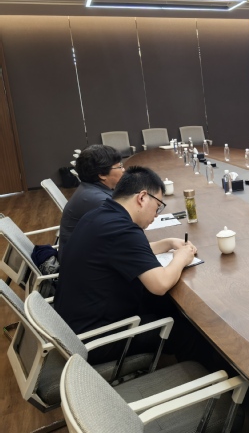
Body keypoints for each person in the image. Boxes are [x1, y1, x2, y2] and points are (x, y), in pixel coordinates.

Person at [54, 166, 223, 369]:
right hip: (96, 338)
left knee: (168, 306)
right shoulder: (123, 230)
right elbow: (160, 284)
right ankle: (215, 379)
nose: (156, 214)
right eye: (158, 206)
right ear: (142, 198)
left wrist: (167, 243)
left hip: (75, 324)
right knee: (187, 330)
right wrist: (181, 258)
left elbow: (126, 252)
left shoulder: (100, 215)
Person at [58, 145, 124, 259]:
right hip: (81, 262)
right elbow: (126, 230)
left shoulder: (90, 188)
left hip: (84, 253)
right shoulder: (97, 200)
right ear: (102, 174)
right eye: (119, 166)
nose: (123, 170)